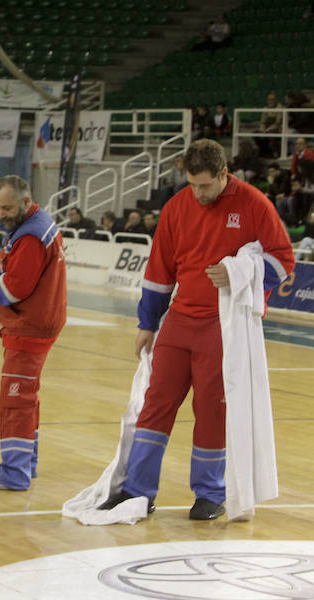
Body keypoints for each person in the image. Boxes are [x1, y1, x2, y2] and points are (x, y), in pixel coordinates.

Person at [98, 139, 294, 520]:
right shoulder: (177, 207)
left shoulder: (254, 204)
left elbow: (284, 261)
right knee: (155, 403)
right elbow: (159, 270)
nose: (198, 193)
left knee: (212, 409)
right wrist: (147, 323)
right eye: (192, 185)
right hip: (179, 321)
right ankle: (138, 491)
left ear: (224, 174)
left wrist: (240, 274)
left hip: (223, 327)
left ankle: (210, 493)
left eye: (205, 185)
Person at [0, 175, 66, 490]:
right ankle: (23, 461)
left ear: (27, 201)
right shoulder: (34, 225)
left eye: (7, 208)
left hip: (30, 328)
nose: (2, 215)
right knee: (27, 398)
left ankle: (15, 473)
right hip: (36, 324)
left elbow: (14, 289)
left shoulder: (30, 237)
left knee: (16, 400)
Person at [255, 91, 284, 159]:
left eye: (272, 99)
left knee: (270, 133)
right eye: (269, 99)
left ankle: (275, 152)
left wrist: (267, 130)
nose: (270, 101)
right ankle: (264, 152)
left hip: (276, 129)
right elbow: (262, 122)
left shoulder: (280, 108)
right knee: (256, 134)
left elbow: (277, 123)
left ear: (276, 100)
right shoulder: (265, 108)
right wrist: (262, 130)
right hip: (266, 129)